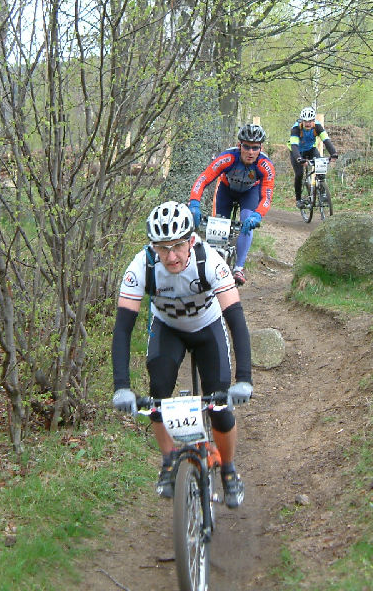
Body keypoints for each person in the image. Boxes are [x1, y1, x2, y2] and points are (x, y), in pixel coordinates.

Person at [111, 201, 253, 509]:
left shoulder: (210, 261)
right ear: (153, 246)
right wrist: (121, 385)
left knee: (219, 402)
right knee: (157, 394)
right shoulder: (141, 266)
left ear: (191, 240)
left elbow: (236, 318)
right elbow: (123, 328)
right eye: (163, 248)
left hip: (207, 327)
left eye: (177, 246)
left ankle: (228, 469)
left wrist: (244, 379)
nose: (171, 257)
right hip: (168, 329)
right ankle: (169, 460)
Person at [188, 123, 275, 286]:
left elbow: (267, 195)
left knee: (247, 220)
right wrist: (194, 202)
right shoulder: (228, 157)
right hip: (226, 190)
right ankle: (213, 264)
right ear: (239, 145)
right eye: (246, 147)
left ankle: (239, 268)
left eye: (255, 148)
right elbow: (204, 178)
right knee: (217, 227)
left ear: (261, 148)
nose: (250, 152)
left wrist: (258, 215)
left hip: (250, 192)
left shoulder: (265, 165)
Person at [289, 106, 338, 209]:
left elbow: (326, 140)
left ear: (314, 121)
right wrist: (299, 159)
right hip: (296, 152)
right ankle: (298, 199)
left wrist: (333, 153)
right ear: (302, 121)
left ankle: (323, 194)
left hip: (311, 149)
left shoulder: (318, 127)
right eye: (305, 121)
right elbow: (294, 145)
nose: (307, 123)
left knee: (321, 166)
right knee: (299, 174)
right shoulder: (296, 128)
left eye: (310, 121)